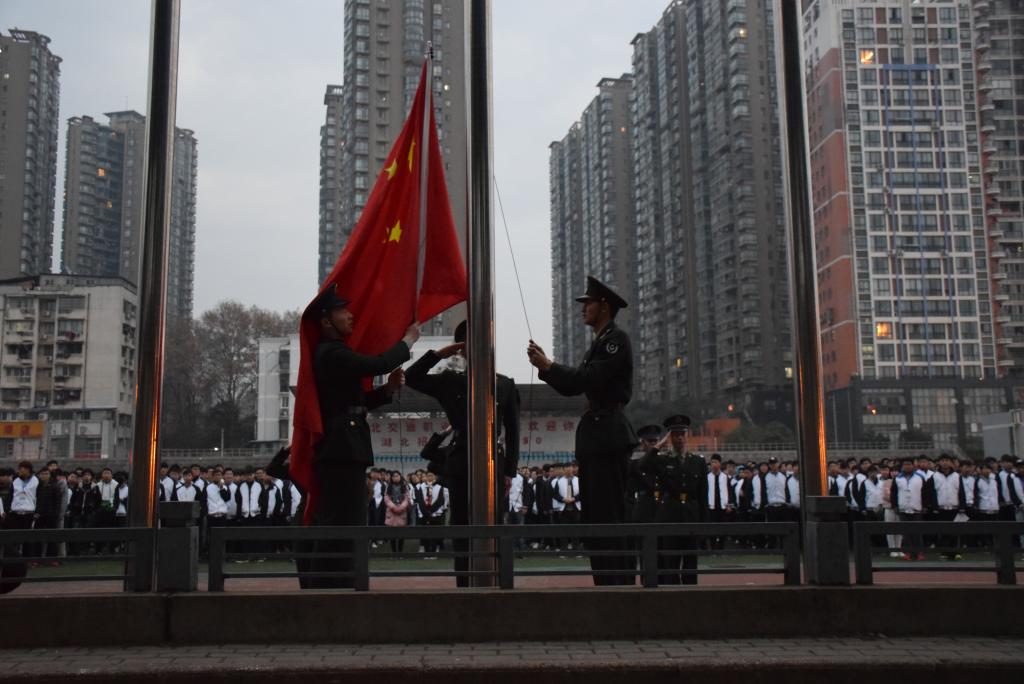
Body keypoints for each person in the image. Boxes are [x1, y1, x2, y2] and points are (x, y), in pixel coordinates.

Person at [302, 284, 416, 588]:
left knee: (346, 520)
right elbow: (377, 364)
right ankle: (330, 584)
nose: (350, 315)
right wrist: (407, 341)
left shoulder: (333, 352)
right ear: (326, 321)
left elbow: (356, 402)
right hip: (341, 447)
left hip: (344, 445)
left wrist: (386, 390)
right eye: (343, 311)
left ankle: (336, 581)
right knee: (342, 522)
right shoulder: (331, 352)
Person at [527, 275, 637, 586]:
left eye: (588, 303)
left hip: (607, 435)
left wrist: (549, 366)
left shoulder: (615, 340)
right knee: (596, 517)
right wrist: (547, 368)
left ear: (604, 306)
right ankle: (605, 583)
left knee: (609, 516)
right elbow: (574, 385)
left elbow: (584, 380)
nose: (582, 308)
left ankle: (618, 586)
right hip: (597, 436)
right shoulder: (600, 343)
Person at [405, 319, 519, 586]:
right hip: (461, 459)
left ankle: (496, 582)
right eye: (470, 341)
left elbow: (513, 431)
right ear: (462, 348)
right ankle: (464, 585)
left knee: (494, 524)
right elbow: (411, 378)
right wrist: (439, 354)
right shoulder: (450, 381)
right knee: (460, 525)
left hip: (493, 460)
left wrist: (509, 472)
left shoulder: (504, 384)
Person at [641, 415, 707, 585]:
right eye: (675, 435)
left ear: (687, 435)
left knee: (691, 565)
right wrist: (659, 445)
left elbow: (703, 495)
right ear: (670, 437)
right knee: (671, 564)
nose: (679, 438)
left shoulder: (698, 462)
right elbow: (643, 465)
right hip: (670, 515)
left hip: (691, 516)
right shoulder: (663, 460)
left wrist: (704, 525)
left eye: (682, 434)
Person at [383, 471, 411, 554]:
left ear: (400, 476)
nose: (395, 478)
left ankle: (400, 552)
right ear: (391, 478)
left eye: (397, 476)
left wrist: (401, 507)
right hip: (391, 511)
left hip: (402, 511)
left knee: (401, 535)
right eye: (393, 476)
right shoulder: (388, 486)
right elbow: (386, 498)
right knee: (392, 535)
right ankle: (394, 553)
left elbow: (407, 498)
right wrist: (393, 507)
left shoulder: (404, 486)